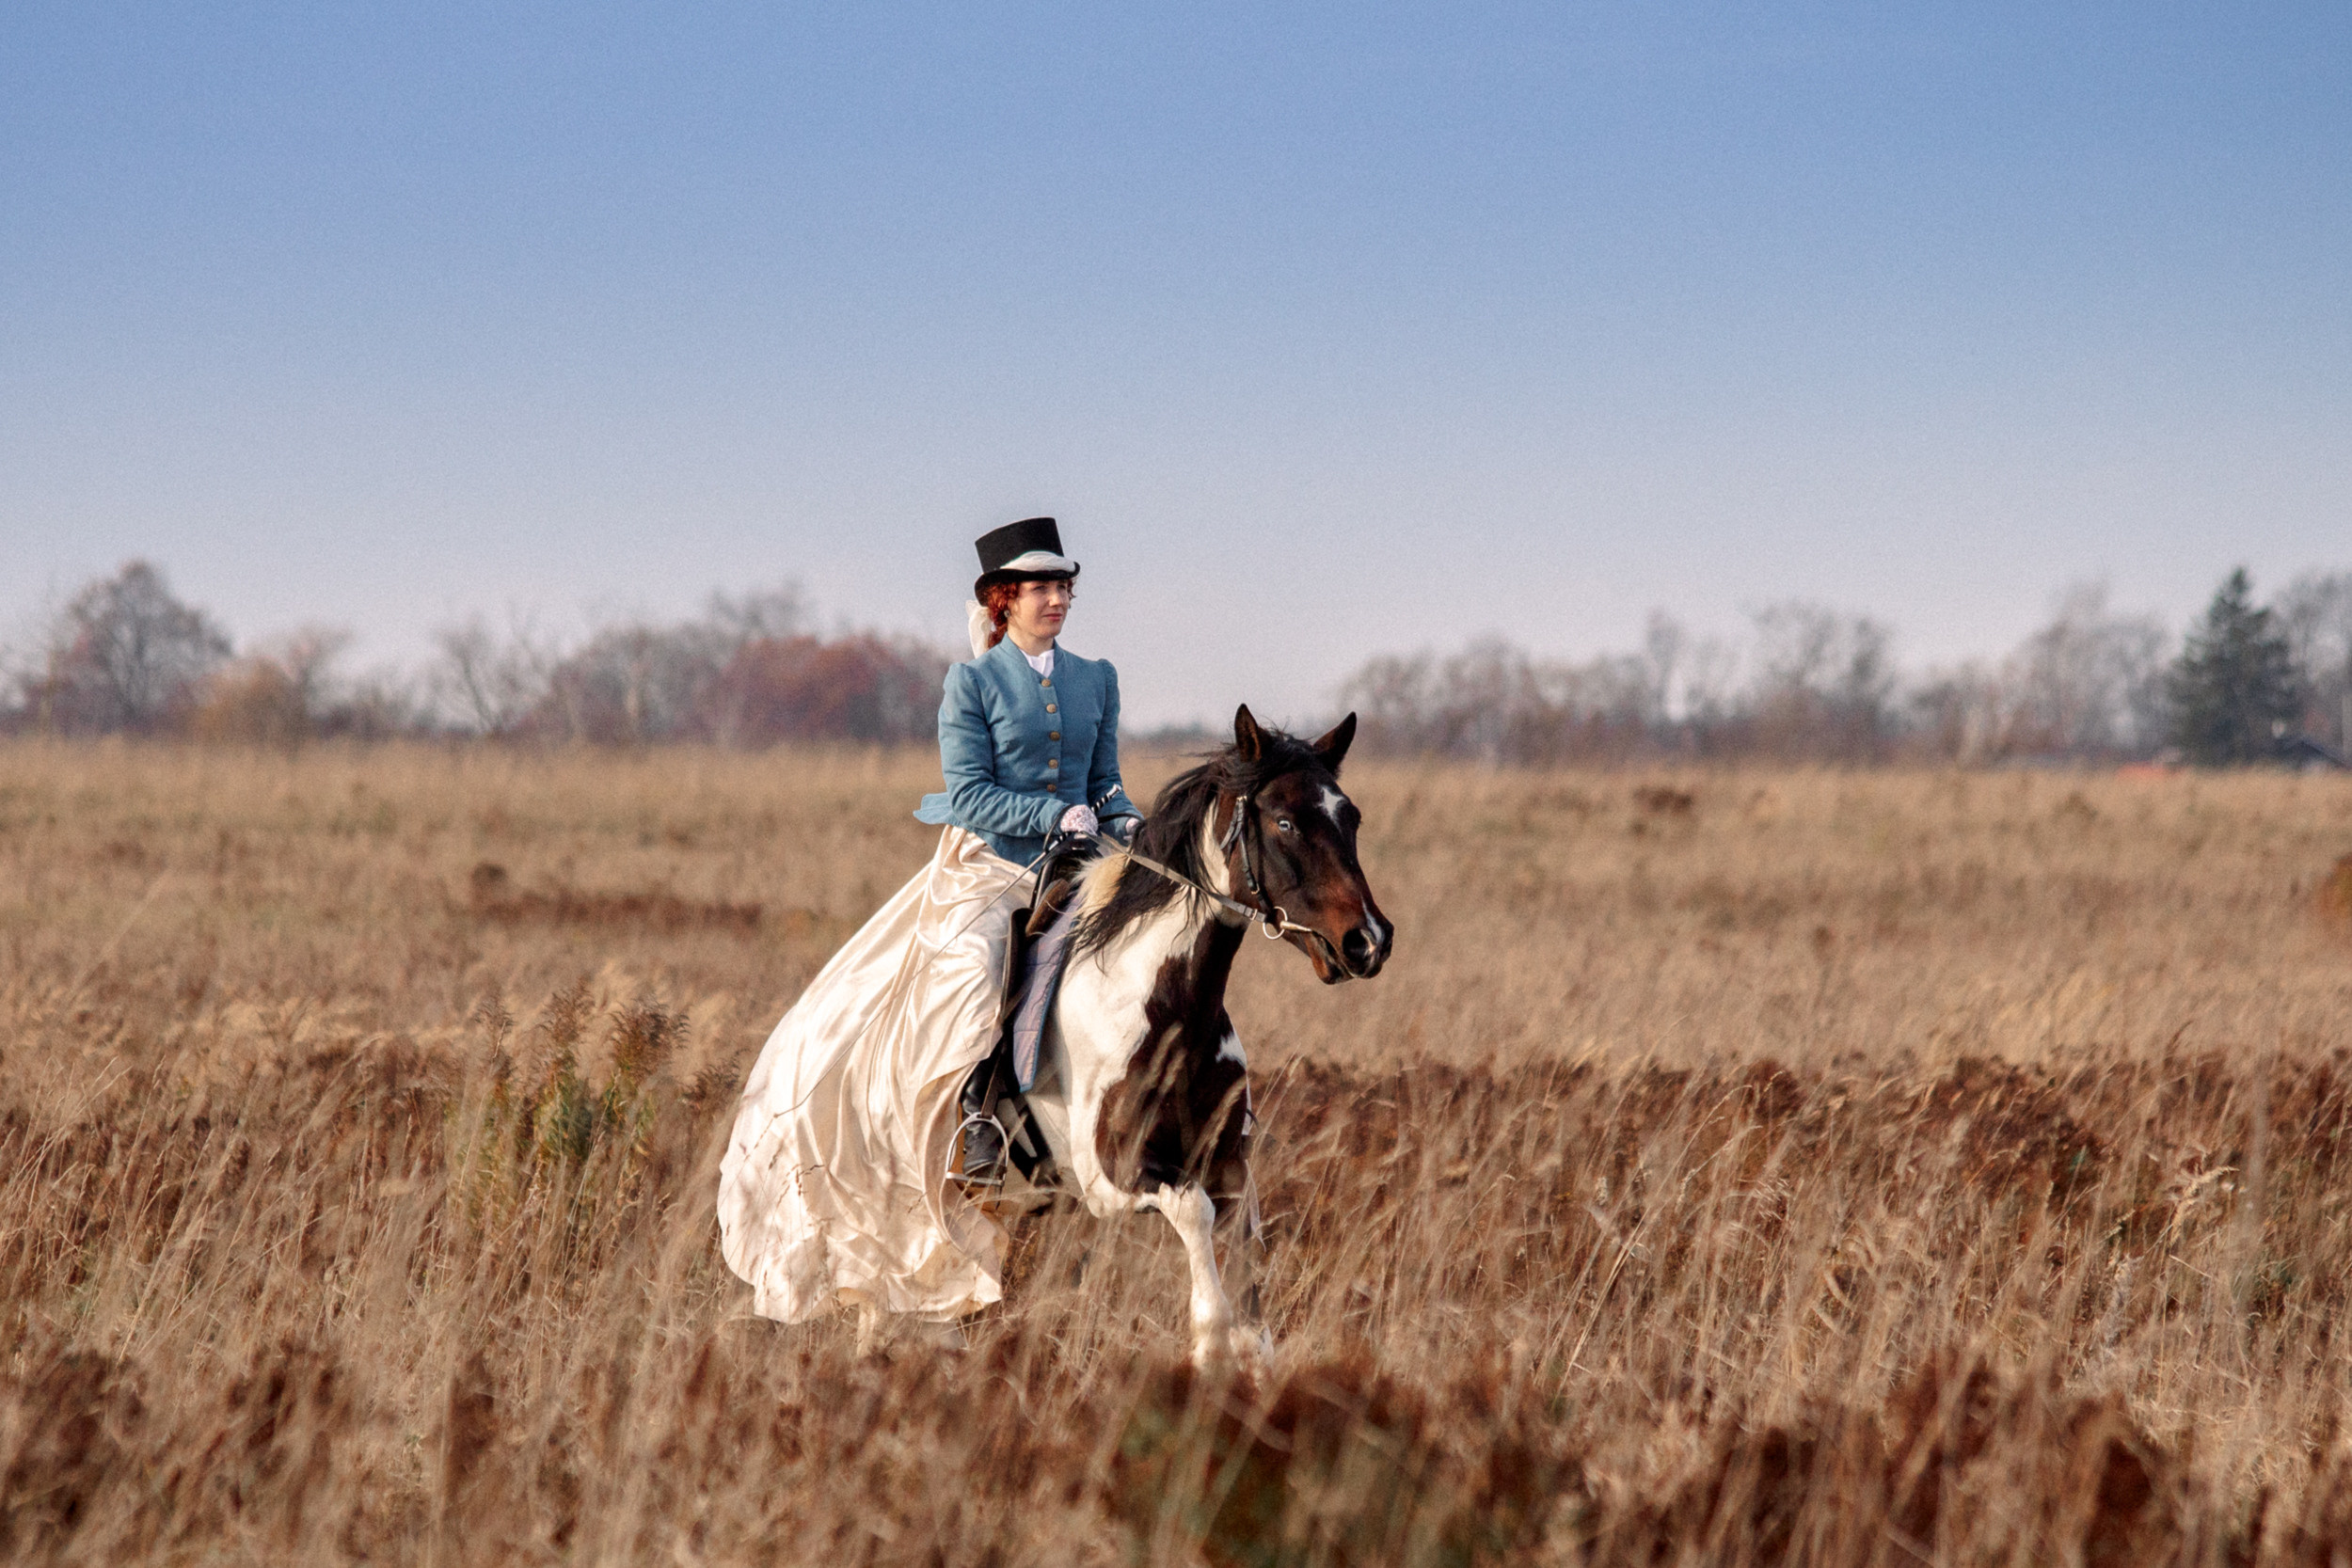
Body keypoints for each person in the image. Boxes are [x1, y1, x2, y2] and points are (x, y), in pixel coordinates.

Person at [715, 517, 1135, 1326]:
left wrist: (1126, 817)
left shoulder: (1098, 678)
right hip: (989, 869)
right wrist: (1051, 814)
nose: (1057, 598)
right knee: (974, 970)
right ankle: (975, 1117)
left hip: (1081, 866)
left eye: (1064, 585)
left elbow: (1107, 780)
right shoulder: (971, 685)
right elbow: (970, 795)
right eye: (1042, 587)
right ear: (1003, 599)